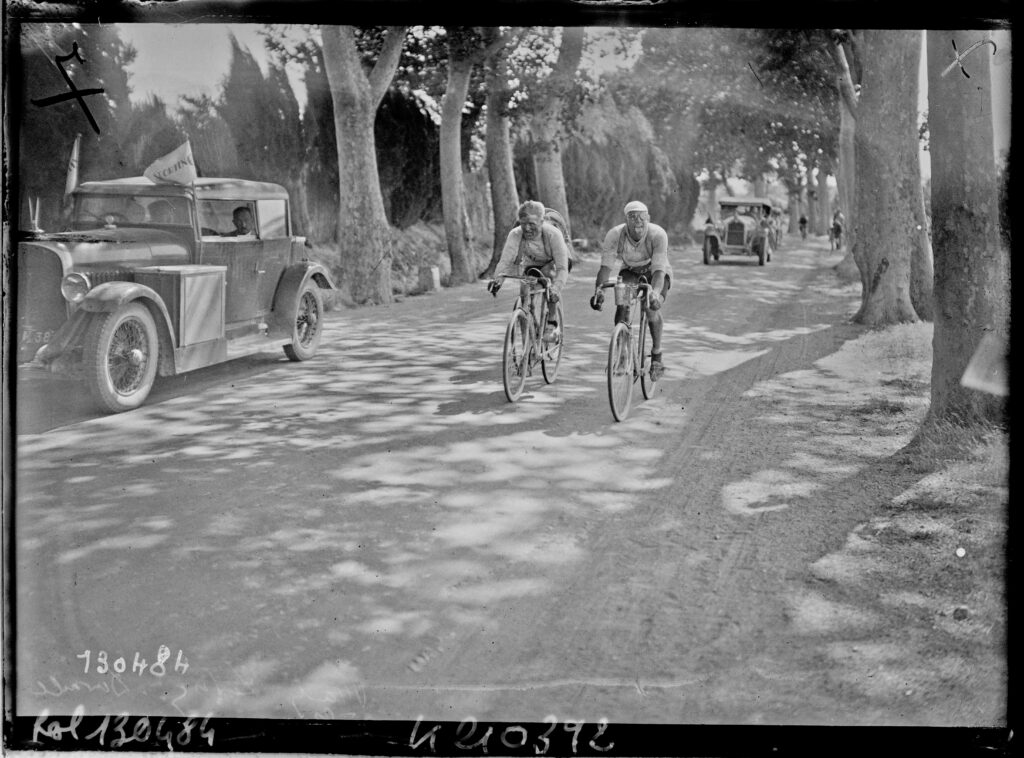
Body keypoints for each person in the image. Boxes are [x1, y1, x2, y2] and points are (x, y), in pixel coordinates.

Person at [589, 200, 671, 381]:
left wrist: (655, 294)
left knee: (651, 309)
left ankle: (656, 355)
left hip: (656, 273)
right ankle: (622, 352)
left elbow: (658, 271)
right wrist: (599, 292)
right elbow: (605, 268)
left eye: (641, 218)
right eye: (632, 218)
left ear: (648, 218)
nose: (638, 222)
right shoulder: (615, 235)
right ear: (626, 220)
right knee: (623, 303)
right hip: (631, 272)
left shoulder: (658, 235)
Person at [487, 200, 570, 343]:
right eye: (523, 223)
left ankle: (551, 322)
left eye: (532, 224)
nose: (527, 228)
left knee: (549, 278)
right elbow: (505, 261)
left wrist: (556, 289)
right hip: (533, 263)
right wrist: (497, 281)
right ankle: (529, 341)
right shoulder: (516, 234)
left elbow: (562, 268)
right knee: (524, 292)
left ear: (542, 221)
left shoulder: (553, 234)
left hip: (555, 262)